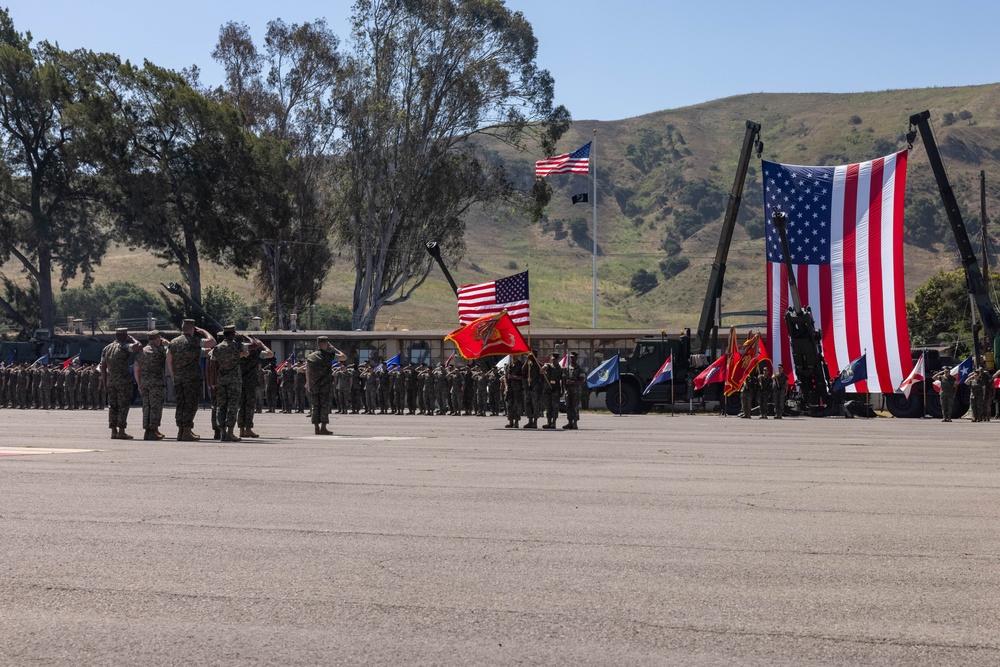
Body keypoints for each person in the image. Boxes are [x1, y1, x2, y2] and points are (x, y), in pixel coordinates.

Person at [167, 319, 217, 441]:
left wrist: (174, 376)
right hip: (191, 378)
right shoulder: (194, 341)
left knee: (181, 404)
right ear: (192, 329)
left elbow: (169, 360)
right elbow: (212, 342)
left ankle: (181, 430)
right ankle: (187, 431)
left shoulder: (173, 342)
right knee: (191, 404)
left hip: (178, 378)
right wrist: (205, 332)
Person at [100, 327, 142, 439]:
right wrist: (132, 338)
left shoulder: (107, 348)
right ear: (124, 336)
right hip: (123, 382)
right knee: (123, 406)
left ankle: (113, 430)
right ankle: (121, 430)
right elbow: (138, 346)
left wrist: (105, 383)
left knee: (112, 406)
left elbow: (103, 367)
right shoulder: (124, 346)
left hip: (111, 382)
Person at [210, 325, 247, 442]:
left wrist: (213, 382)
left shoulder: (217, 348)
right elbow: (253, 346)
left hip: (221, 380)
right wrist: (245, 338)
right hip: (234, 381)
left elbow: (212, 366)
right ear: (232, 334)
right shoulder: (236, 346)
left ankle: (222, 433)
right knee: (233, 406)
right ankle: (230, 432)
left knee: (221, 406)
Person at [304, 336, 346, 435]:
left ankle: (316, 427)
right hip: (325, 385)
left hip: (314, 385)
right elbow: (344, 357)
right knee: (324, 406)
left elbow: (308, 372)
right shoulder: (329, 355)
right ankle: (323, 427)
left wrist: (309, 384)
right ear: (326, 344)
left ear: (317, 344)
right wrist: (333, 348)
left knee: (315, 405)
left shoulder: (311, 357)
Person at [134, 330, 168, 441]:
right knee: (155, 407)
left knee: (146, 407)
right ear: (157, 339)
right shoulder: (160, 350)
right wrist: (166, 343)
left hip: (144, 382)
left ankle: (147, 431)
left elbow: (136, 368)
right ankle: (153, 430)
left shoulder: (141, 352)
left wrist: (139, 383)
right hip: (157, 383)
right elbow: (172, 350)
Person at [238, 335, 273, 438]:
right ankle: (248, 429)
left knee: (241, 406)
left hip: (240, 381)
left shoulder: (238, 351)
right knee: (250, 406)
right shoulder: (256, 353)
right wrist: (262, 344)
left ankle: (241, 429)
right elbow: (270, 354)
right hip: (251, 382)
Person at [563, 351, 586, 430]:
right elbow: (564, 379)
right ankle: (569, 422)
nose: (572, 359)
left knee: (575, 407)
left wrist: (573, 382)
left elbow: (582, 380)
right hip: (568, 391)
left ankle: (575, 423)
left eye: (573, 357)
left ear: (576, 358)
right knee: (568, 406)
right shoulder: (567, 369)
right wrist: (565, 388)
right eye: (571, 357)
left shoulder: (580, 369)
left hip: (576, 391)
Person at [541, 352, 563, 429]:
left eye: (555, 359)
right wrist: (543, 368)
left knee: (555, 407)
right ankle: (548, 422)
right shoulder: (549, 365)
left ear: (557, 359)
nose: (554, 361)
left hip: (555, 390)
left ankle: (554, 423)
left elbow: (562, 379)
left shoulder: (560, 369)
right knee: (548, 406)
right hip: (548, 389)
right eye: (553, 359)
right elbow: (544, 368)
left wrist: (562, 390)